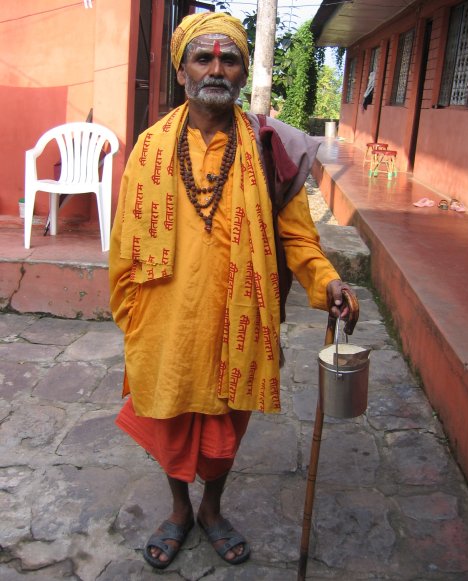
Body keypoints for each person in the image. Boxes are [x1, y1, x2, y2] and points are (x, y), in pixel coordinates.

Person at [109, 11, 355, 571]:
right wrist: (131, 314)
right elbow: (123, 242)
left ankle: (212, 510)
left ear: (244, 72)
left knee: (223, 433)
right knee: (166, 420)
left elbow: (299, 238)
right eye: (204, 57)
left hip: (235, 324)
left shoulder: (274, 148)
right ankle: (177, 511)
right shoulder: (148, 149)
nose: (216, 68)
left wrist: (327, 281)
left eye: (230, 58)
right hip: (165, 322)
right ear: (182, 70)